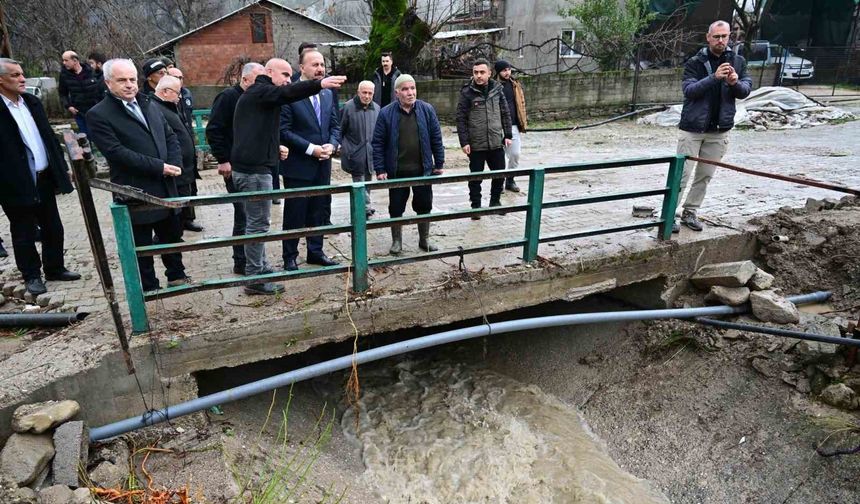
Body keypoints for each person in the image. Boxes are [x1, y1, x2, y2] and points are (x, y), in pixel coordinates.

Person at [231, 57, 345, 294]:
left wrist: (275, 148)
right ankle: (255, 279)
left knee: (261, 223)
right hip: (254, 171)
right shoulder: (262, 91)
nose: (287, 81)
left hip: (258, 167)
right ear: (269, 72)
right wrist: (320, 84)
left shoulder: (261, 95)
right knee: (258, 225)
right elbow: (288, 97)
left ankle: (260, 268)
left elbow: (256, 132)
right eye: (284, 75)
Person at [87, 58, 189, 292]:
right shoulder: (99, 114)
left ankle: (177, 277)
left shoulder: (147, 103)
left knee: (171, 236)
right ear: (108, 82)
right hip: (135, 189)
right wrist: (159, 166)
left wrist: (173, 164)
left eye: (132, 79)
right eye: (122, 80)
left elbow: (170, 136)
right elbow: (116, 152)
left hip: (166, 184)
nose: (129, 85)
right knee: (141, 245)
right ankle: (149, 288)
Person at [0, 58, 80, 295]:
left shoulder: (32, 103)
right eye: (15, 75)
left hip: (44, 176)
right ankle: (32, 276)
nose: (22, 78)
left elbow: (48, 137)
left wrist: (61, 166)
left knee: (53, 226)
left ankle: (55, 268)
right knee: (23, 230)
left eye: (22, 73)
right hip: (15, 181)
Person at [674, 20, 752, 232]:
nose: (720, 40)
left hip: (719, 131)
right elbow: (690, 91)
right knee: (681, 175)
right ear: (708, 37)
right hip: (692, 129)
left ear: (729, 37)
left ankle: (690, 212)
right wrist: (714, 77)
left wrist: (735, 83)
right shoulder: (695, 62)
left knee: (705, 175)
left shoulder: (738, 61)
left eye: (724, 36)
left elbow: (746, 90)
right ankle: (670, 213)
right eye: (716, 36)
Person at [279, 50, 341, 272]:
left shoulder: (327, 93)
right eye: (315, 64)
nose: (320, 69)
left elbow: (335, 123)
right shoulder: (290, 93)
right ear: (301, 67)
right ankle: (290, 256)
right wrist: (311, 149)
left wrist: (332, 144)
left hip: (323, 163)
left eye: (322, 64)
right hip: (298, 165)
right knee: (295, 212)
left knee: (319, 209)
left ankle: (316, 252)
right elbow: (283, 131)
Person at [372, 74, 444, 255]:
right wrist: (380, 169)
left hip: (422, 170)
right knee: (396, 207)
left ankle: (424, 239)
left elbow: (436, 137)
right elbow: (378, 143)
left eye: (412, 88)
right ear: (397, 93)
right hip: (397, 171)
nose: (410, 93)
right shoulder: (386, 113)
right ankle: (397, 241)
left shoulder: (427, 110)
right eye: (405, 89)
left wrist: (439, 162)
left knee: (424, 204)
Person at [206, 62, 265, 275]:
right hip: (234, 166)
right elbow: (214, 130)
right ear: (246, 79)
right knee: (243, 214)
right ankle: (241, 261)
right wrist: (223, 159)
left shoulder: (255, 98)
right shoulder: (228, 98)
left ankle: (254, 259)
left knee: (255, 216)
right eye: (258, 80)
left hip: (253, 167)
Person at [456, 58, 512, 218]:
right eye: (475, 72)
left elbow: (505, 113)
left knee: (499, 174)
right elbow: (460, 118)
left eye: (482, 72)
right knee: (475, 177)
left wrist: (507, 134)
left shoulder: (497, 90)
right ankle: (476, 206)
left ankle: (495, 201)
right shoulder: (467, 92)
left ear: (489, 73)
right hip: (476, 144)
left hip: (495, 142)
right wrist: (464, 141)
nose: (478, 76)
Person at [151, 75, 198, 234]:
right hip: (175, 171)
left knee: (185, 202)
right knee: (175, 210)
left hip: (184, 170)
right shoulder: (155, 108)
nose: (179, 97)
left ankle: (184, 225)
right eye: (177, 93)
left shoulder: (168, 106)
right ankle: (172, 235)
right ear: (165, 91)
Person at [166, 66, 202, 232]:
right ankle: (178, 223)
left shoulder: (185, 95)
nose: (179, 81)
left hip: (189, 147)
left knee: (191, 187)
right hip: (175, 153)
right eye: (175, 77)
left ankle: (189, 218)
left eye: (181, 77)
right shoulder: (164, 100)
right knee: (180, 189)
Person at [340, 80, 380, 219]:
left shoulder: (376, 108)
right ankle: (366, 208)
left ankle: (363, 205)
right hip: (354, 152)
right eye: (364, 92)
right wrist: (343, 147)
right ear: (358, 92)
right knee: (359, 181)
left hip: (370, 152)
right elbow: (340, 129)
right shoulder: (348, 108)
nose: (367, 96)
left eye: (370, 93)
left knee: (368, 180)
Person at [494, 60, 527, 193]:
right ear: (498, 72)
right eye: (504, 70)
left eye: (508, 69)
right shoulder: (494, 86)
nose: (507, 72)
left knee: (515, 154)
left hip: (513, 124)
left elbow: (521, 104)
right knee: (498, 156)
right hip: (497, 126)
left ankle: (510, 179)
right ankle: (499, 182)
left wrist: (522, 121)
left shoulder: (515, 85)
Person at [58, 50, 103, 136]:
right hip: (79, 113)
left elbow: (101, 89)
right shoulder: (64, 75)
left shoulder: (90, 71)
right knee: (85, 138)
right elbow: (62, 93)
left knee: (99, 136)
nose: (64, 63)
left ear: (75, 60)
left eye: (66, 60)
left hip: (96, 111)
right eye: (63, 60)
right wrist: (69, 106)